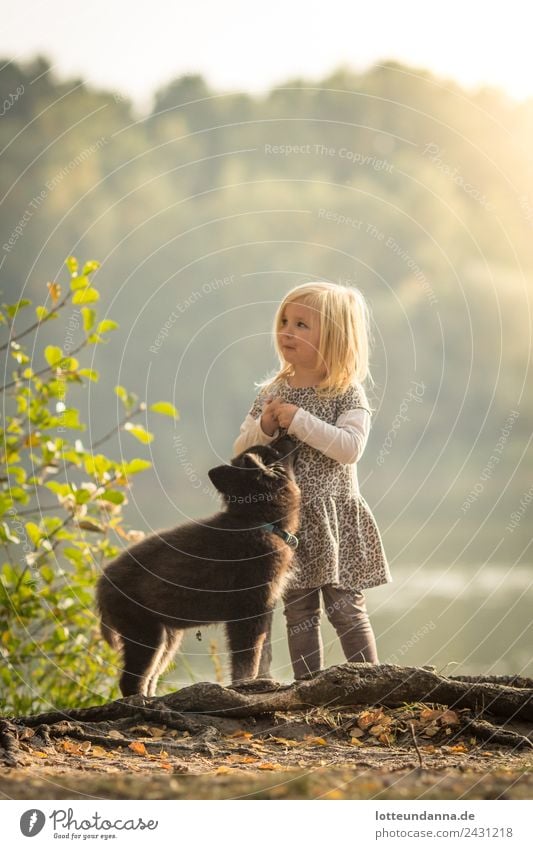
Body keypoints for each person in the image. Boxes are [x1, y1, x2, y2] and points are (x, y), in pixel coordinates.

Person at [232, 281, 391, 680]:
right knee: (298, 611)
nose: (287, 331)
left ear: (334, 337)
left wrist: (300, 421)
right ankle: (309, 690)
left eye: (302, 325)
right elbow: (240, 453)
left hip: (333, 516)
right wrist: (265, 427)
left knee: (345, 608)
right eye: (284, 321)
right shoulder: (272, 392)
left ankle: (372, 686)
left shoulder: (346, 393)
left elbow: (349, 447)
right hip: (290, 524)